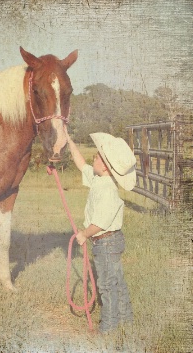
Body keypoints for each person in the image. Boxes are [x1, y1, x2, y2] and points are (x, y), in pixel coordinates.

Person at [65, 130, 136, 334]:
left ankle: (108, 327)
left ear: (104, 166)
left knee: (106, 285)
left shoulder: (107, 189)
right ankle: (126, 318)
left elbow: (100, 223)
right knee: (116, 281)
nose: (92, 158)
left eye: (96, 156)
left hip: (106, 241)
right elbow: (81, 164)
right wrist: (70, 140)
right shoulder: (99, 180)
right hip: (108, 242)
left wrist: (84, 234)